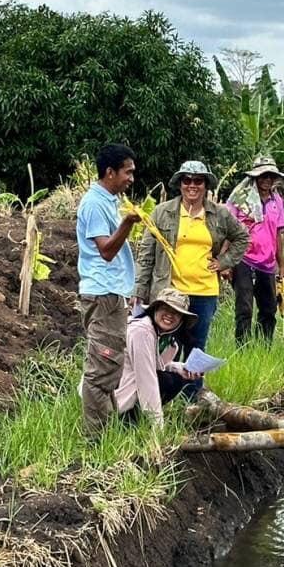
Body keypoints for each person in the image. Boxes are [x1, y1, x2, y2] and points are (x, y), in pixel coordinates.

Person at [134, 161, 247, 391]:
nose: (192, 185)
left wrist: (223, 261)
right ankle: (160, 395)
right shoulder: (162, 212)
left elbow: (242, 238)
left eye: (198, 181)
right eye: (187, 180)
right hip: (171, 293)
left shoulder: (219, 214)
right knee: (165, 346)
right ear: (180, 184)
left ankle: (191, 400)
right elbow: (146, 256)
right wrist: (139, 292)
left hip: (204, 292)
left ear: (206, 185)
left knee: (196, 348)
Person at [77, 143, 141, 432]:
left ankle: (108, 433)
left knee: (111, 366)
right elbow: (106, 250)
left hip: (112, 293)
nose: (131, 178)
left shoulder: (109, 201)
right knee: (101, 369)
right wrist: (128, 223)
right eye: (127, 172)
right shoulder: (93, 204)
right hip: (102, 294)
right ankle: (96, 439)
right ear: (110, 172)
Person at [115, 288, 200, 427]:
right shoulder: (141, 332)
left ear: (181, 320)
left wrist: (179, 368)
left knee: (174, 378)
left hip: (128, 386)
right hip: (116, 394)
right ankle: (126, 422)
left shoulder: (165, 339)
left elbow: (156, 364)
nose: (170, 315)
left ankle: (137, 420)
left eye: (177, 313)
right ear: (155, 309)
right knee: (163, 380)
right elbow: (146, 379)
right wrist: (158, 427)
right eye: (165, 309)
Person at [226, 155, 284, 344]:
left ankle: (264, 347)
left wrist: (282, 264)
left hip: (267, 263)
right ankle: (242, 348)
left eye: (270, 176)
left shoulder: (277, 201)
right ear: (255, 177)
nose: (266, 180)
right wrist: (226, 262)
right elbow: (229, 231)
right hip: (244, 259)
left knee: (269, 308)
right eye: (262, 176)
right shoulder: (239, 200)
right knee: (244, 308)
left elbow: (278, 234)